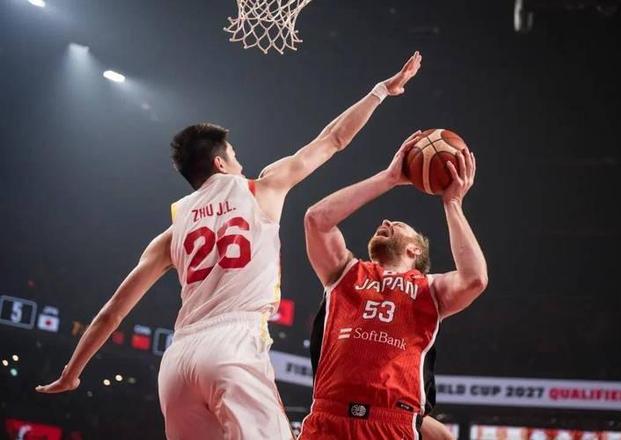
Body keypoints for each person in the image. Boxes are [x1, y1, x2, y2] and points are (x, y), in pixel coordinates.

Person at [35, 53, 422, 440]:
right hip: (233, 345)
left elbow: (112, 313)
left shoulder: (171, 233)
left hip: (178, 362)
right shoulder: (262, 188)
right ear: (221, 163)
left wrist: (72, 373)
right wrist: (380, 91)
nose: (241, 164)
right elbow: (333, 139)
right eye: (235, 158)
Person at [300, 131, 488, 439]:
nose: (386, 221)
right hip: (327, 418)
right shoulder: (344, 272)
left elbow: (475, 278)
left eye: (398, 225)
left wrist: (453, 203)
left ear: (415, 250)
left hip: (391, 424)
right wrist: (388, 178)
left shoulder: (430, 289)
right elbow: (316, 219)